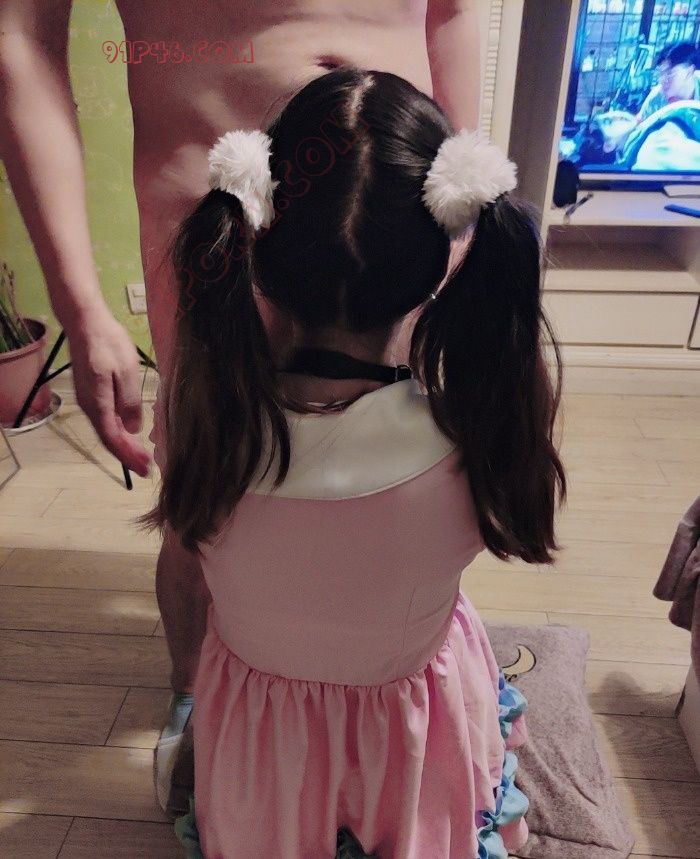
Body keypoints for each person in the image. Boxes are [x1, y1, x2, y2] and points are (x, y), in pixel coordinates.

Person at [0, 0, 482, 816]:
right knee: (204, 500)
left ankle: (384, 687)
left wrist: (460, 200)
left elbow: (454, 10)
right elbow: (22, 37)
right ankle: (199, 700)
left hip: (394, 212)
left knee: (398, 477)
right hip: (217, 229)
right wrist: (81, 306)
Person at [141, 67, 566, 858]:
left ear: (258, 235)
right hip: (408, 737)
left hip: (261, 740)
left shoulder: (197, 413)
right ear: (443, 254)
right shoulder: (475, 435)